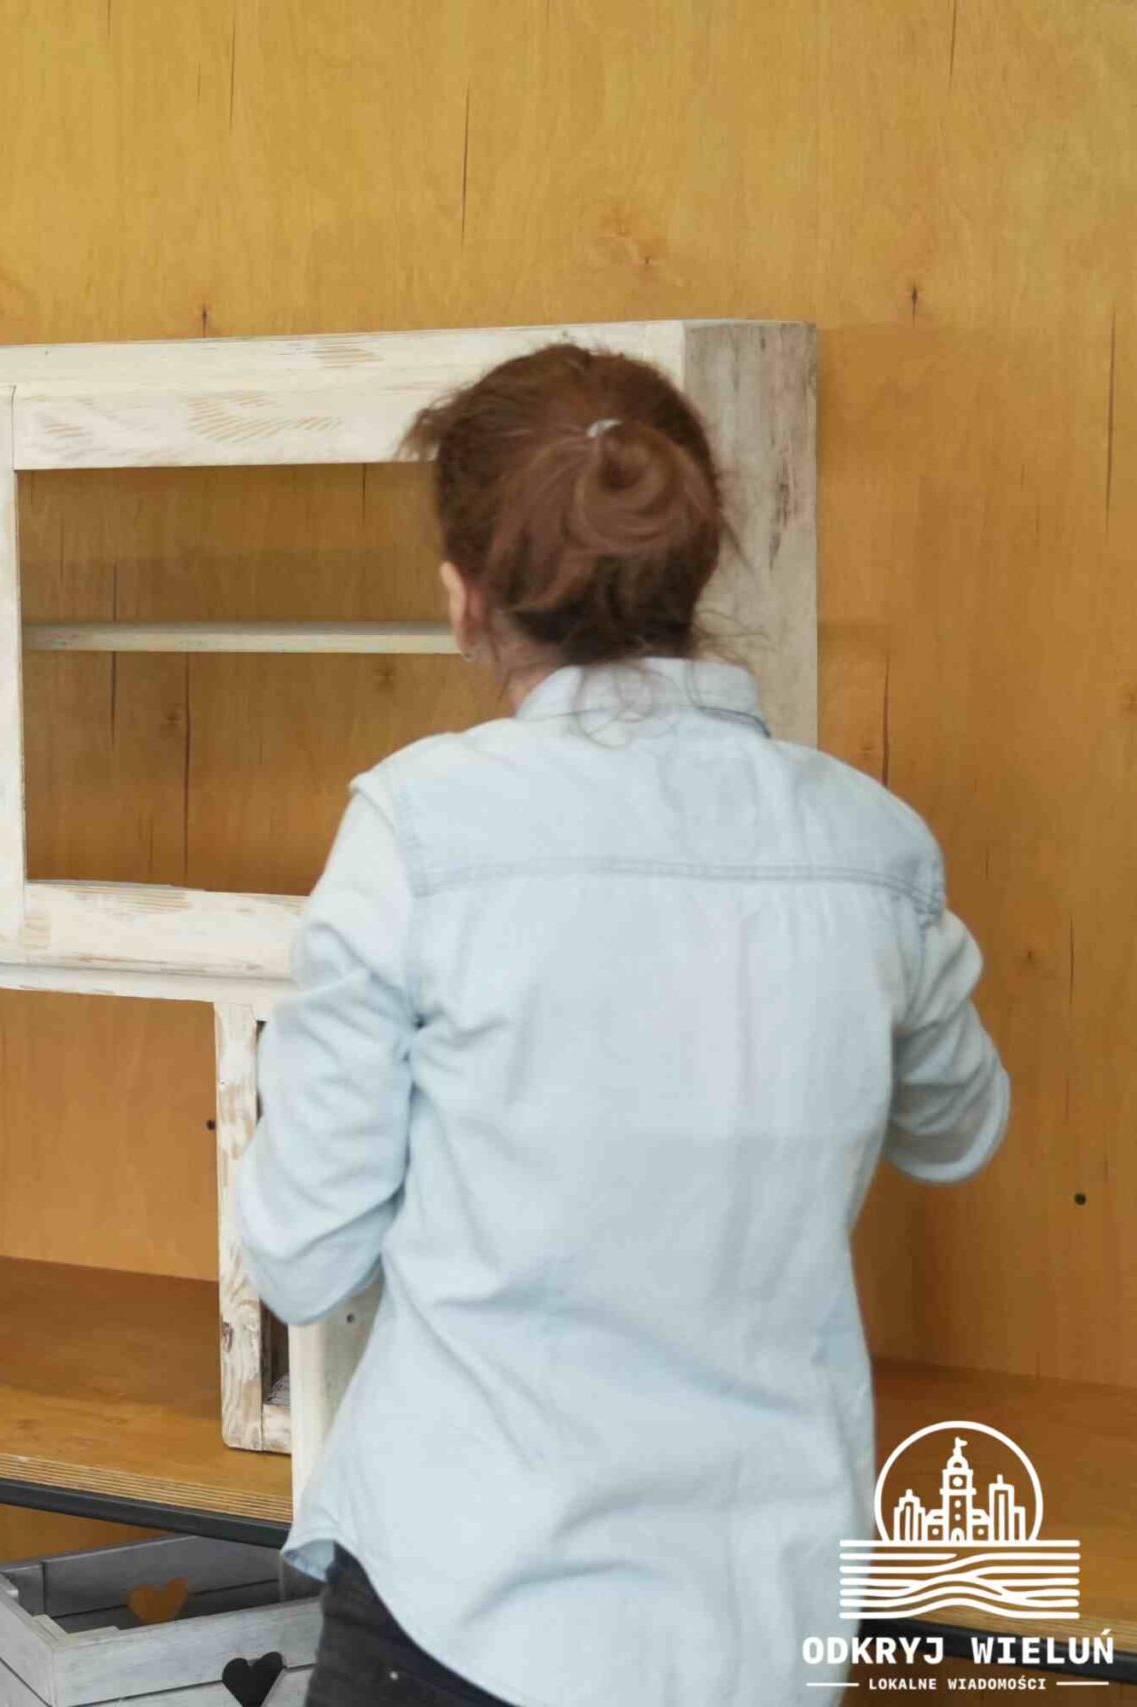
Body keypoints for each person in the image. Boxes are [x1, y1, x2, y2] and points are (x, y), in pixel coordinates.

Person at [235, 344, 1009, 1706]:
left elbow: (302, 1256)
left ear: (464, 600)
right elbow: (960, 1131)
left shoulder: (421, 832)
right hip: (761, 1625)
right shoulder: (874, 846)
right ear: (693, 569)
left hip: (467, 1605)